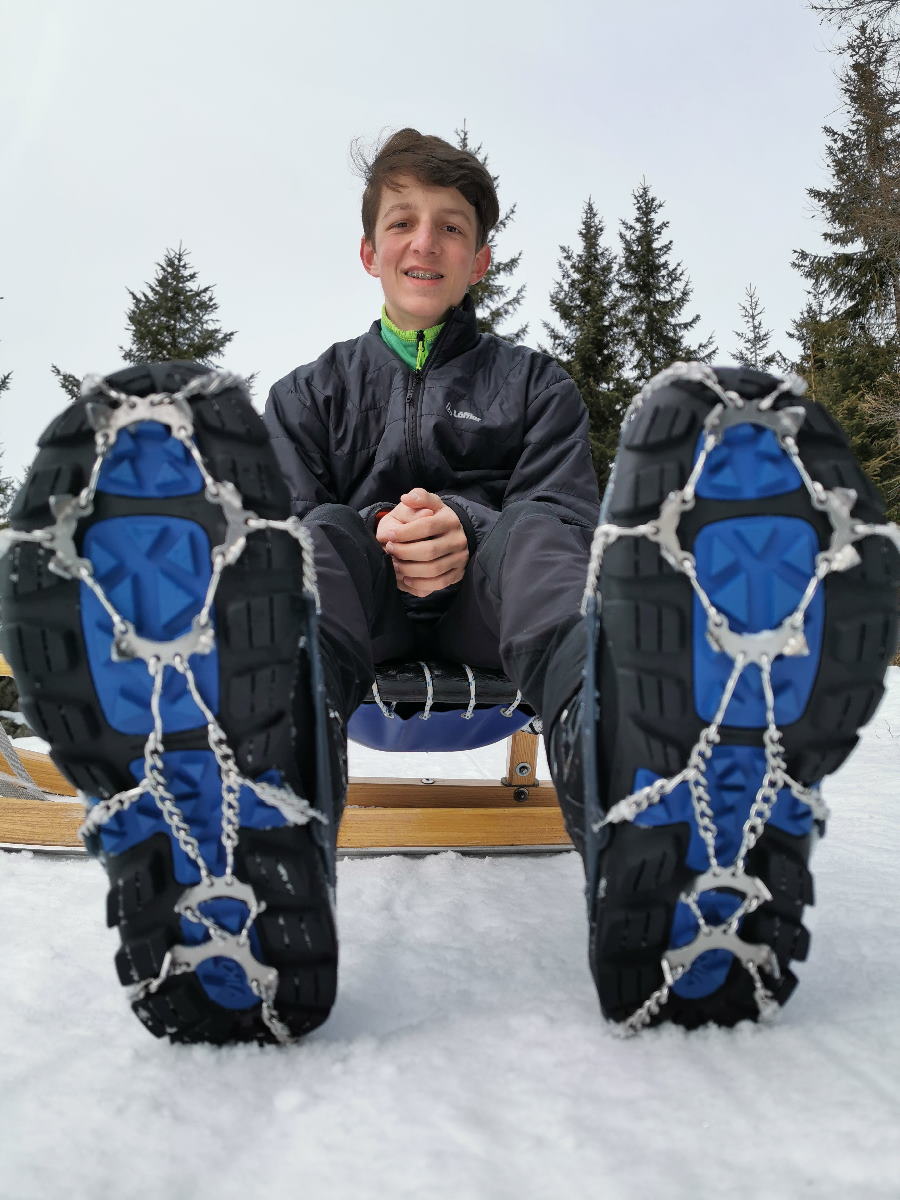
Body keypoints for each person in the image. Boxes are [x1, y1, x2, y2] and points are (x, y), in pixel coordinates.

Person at [2, 130, 896, 1044]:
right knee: (319, 536)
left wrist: (467, 532)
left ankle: (640, 786)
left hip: (500, 625)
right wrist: (385, 533)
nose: (424, 243)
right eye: (403, 223)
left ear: (480, 260)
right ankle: (254, 779)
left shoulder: (534, 385)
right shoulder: (311, 394)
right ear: (370, 251)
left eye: (450, 228)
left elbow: (566, 510)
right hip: (355, 629)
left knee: (541, 531)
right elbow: (282, 527)